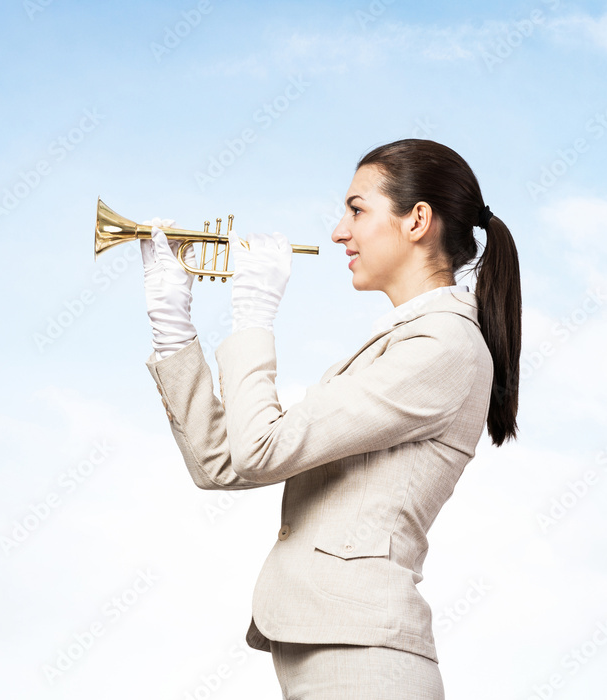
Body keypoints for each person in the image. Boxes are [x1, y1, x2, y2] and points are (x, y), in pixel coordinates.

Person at [140, 138, 522, 699]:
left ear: (417, 220)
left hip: (367, 663)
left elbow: (261, 450)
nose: (340, 231)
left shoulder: (443, 345)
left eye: (357, 209)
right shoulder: (407, 341)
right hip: (336, 656)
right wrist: (172, 327)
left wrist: (252, 317)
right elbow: (224, 464)